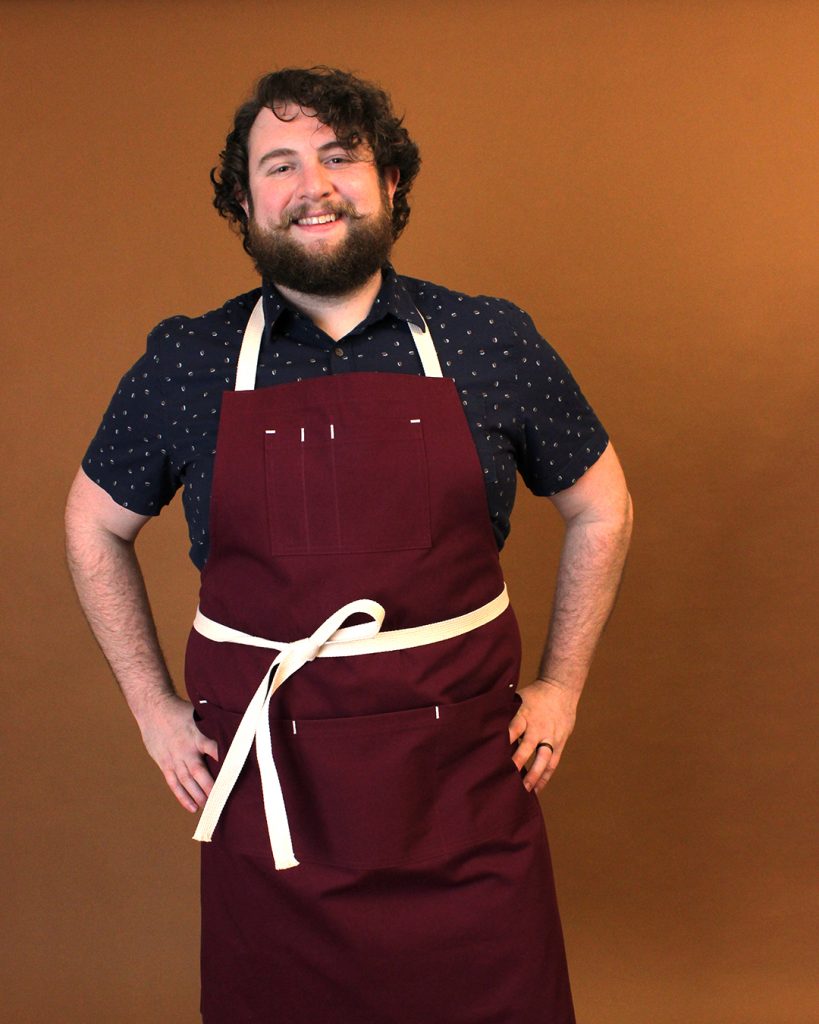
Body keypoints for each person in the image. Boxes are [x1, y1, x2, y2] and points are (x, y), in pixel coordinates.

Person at [65, 66, 632, 1024]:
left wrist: (562, 684)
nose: (313, 185)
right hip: (273, 796)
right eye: (279, 165)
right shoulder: (189, 361)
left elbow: (603, 507)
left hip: (462, 796)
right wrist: (152, 707)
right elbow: (91, 524)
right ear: (246, 201)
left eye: (341, 157)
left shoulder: (488, 339)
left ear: (390, 181)